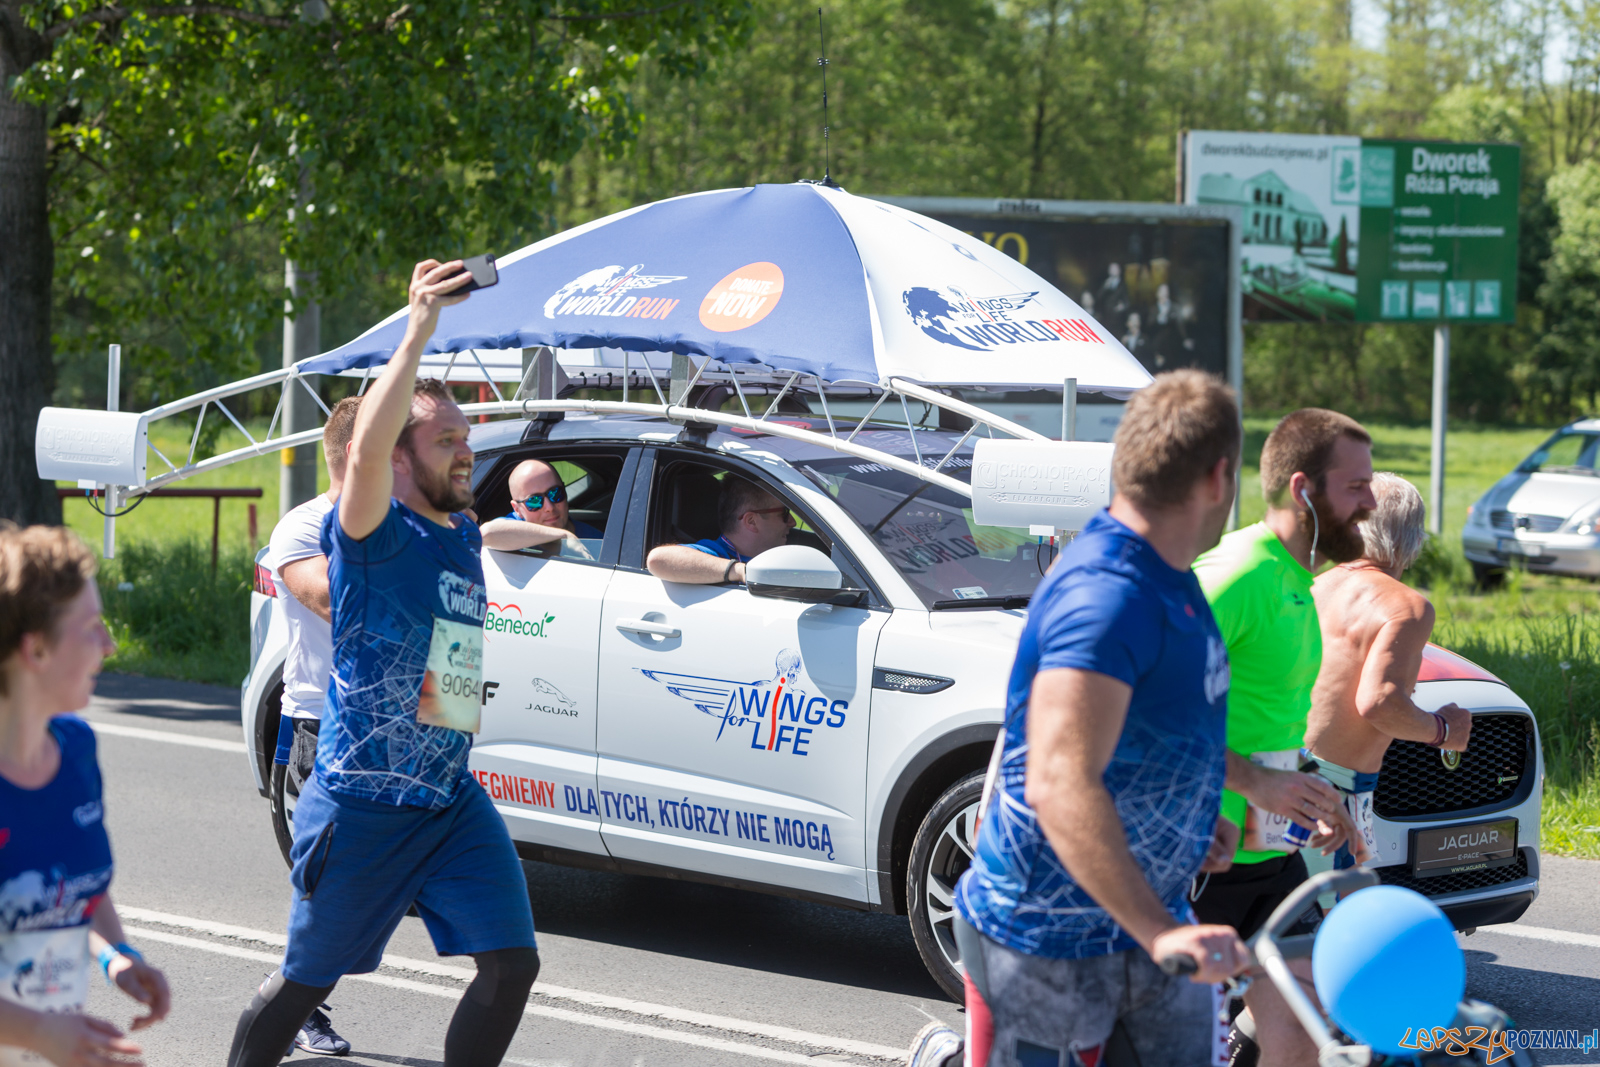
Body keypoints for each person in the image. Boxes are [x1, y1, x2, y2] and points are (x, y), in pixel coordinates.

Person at [227, 259, 539, 1067]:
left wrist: (448, 745)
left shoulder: (461, 533)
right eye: (447, 440)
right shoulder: (373, 536)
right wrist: (418, 329)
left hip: (445, 800)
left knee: (513, 963)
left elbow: (454, 665)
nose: (468, 452)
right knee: (305, 982)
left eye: (468, 437)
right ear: (397, 460)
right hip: (362, 808)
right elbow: (365, 450)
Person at [912, 370, 1249, 1067]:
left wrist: (1189, 813)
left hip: (1133, 912)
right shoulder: (1106, 596)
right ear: (1220, 477)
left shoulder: (1167, 571)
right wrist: (1160, 932)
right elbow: (1060, 781)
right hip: (1047, 936)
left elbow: (1148, 725)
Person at [1192, 408, 1377, 1067]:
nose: (1373, 502)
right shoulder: (1238, 575)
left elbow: (1269, 722)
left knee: (1299, 1042)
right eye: (1356, 487)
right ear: (1304, 489)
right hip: (1195, 864)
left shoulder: (1302, 583)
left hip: (1275, 863)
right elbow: (1150, 714)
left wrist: (1319, 795)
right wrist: (1257, 783)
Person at [0, 524, 172, 1066]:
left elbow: (67, 887)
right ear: (37, 650)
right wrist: (43, 1033)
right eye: (92, 628)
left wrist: (116, 955)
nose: (110, 645)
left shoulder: (76, 750)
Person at [1308, 472, 1471, 867]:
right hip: (1336, 787)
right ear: (1414, 538)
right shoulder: (1406, 606)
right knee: (1332, 919)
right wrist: (1444, 731)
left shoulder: (1316, 586)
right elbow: (1379, 702)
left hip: (1294, 771)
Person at [264, 394, 362, 1056]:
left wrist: (452, 719)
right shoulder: (304, 527)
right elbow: (333, 601)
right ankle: (291, 1009)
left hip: (410, 734)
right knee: (328, 889)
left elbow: (452, 621)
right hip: (321, 727)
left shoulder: (419, 524)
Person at [645, 476, 793, 584]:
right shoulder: (715, 554)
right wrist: (741, 571)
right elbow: (657, 560)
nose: (792, 522)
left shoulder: (783, 556)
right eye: (784, 514)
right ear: (751, 521)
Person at [479, 459, 601, 556]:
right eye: (534, 501)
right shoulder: (511, 527)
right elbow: (487, 534)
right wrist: (564, 535)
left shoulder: (595, 540)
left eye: (555, 493)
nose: (549, 507)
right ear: (517, 509)